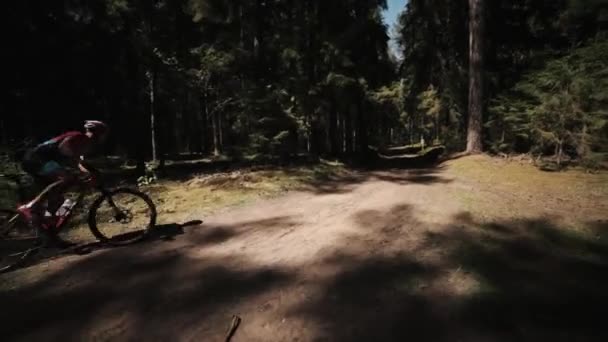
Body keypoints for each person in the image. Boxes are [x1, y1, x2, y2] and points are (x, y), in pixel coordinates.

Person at [17, 120, 109, 246]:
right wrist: (76, 169)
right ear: (99, 133)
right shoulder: (80, 137)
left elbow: (79, 162)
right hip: (36, 159)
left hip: (39, 161)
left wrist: (89, 173)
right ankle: (32, 206)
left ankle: (50, 234)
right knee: (66, 178)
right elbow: (64, 148)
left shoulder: (85, 143)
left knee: (59, 201)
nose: (105, 138)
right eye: (104, 134)